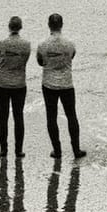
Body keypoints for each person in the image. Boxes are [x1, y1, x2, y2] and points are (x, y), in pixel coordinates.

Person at [36, 12, 85, 160]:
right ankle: (76, 149)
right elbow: (72, 56)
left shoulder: (43, 44)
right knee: (72, 116)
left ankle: (57, 150)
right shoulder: (69, 43)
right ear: (61, 25)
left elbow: (40, 62)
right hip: (66, 84)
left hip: (49, 84)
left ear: (49, 25)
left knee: (51, 117)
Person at [0, 15, 32, 159]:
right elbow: (25, 60)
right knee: (18, 116)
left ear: (9, 27)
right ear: (20, 27)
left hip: (2, 82)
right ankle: (18, 150)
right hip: (19, 83)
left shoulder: (1, 43)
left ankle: (3, 149)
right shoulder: (26, 44)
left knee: (3, 116)